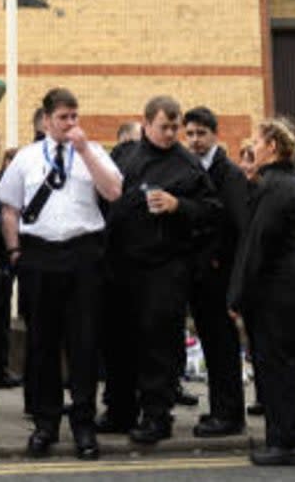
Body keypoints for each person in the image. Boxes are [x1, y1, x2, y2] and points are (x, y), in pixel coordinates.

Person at [0, 87, 122, 459]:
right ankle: (45, 423)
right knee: (42, 344)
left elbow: (114, 191)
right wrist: (15, 251)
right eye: (64, 117)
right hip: (39, 256)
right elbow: (9, 208)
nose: (71, 123)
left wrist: (84, 150)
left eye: (75, 116)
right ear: (47, 119)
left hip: (83, 254)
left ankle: (84, 424)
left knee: (83, 342)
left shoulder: (93, 152)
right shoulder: (26, 158)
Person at [103, 96, 221, 445]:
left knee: (159, 343)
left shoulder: (187, 165)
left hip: (165, 268)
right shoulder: (124, 155)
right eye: (164, 127)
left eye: (175, 127)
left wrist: (178, 205)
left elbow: (212, 211)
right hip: (122, 266)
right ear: (146, 124)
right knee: (119, 340)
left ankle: (157, 416)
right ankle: (119, 410)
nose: (171, 133)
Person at [227, 119, 295, 467]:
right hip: (289, 283)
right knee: (292, 362)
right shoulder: (278, 183)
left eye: (258, 140)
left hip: (279, 287)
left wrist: (236, 297)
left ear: (274, 148)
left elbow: (256, 246)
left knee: (277, 365)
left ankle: (287, 443)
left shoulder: (275, 187)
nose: (252, 145)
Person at [182, 107, 249, 437]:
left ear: (214, 135)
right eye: (190, 134)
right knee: (211, 345)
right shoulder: (190, 168)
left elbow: (237, 225)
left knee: (223, 347)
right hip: (199, 274)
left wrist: (221, 263)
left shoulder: (229, 174)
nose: (194, 140)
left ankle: (230, 415)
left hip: (219, 274)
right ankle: (220, 409)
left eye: (201, 134)